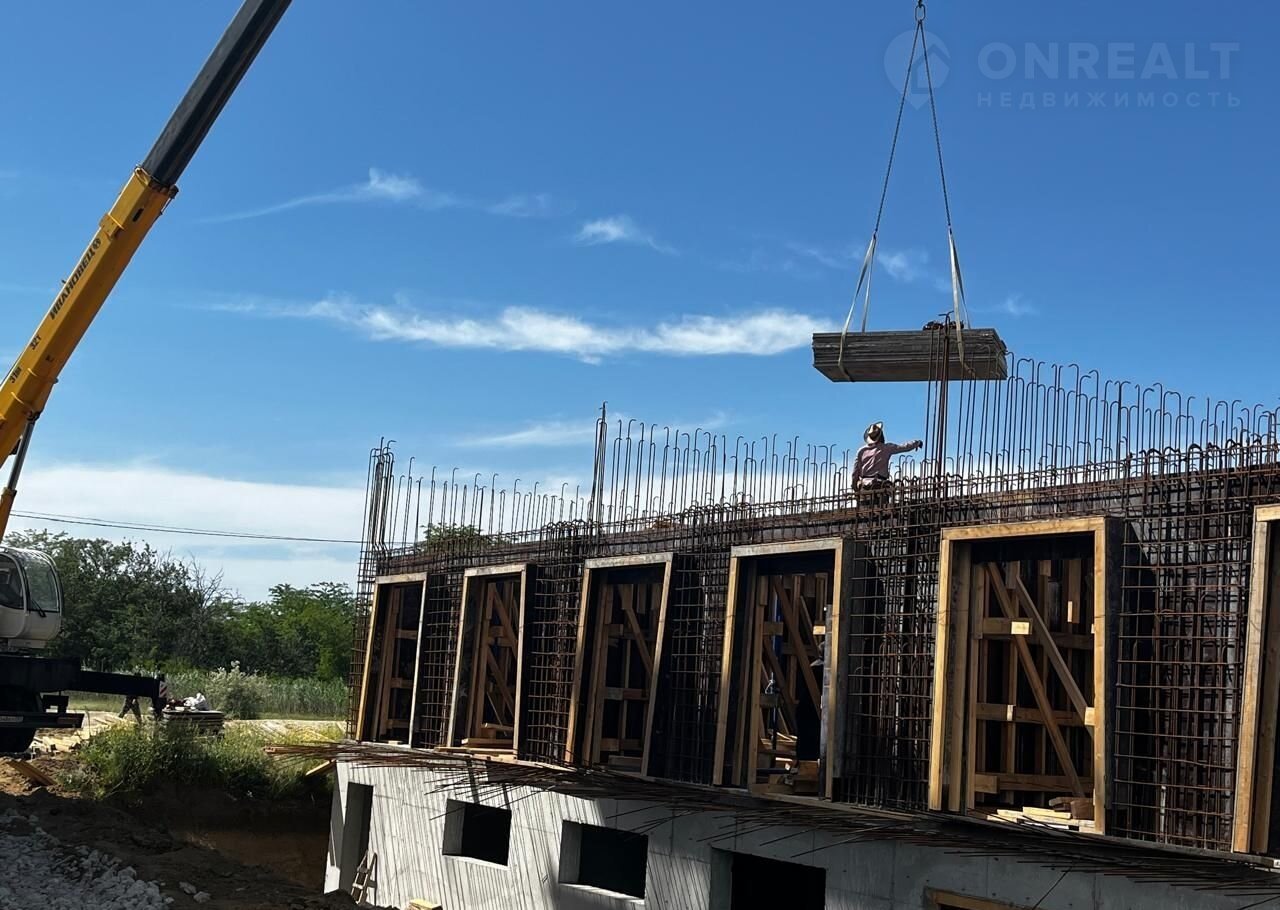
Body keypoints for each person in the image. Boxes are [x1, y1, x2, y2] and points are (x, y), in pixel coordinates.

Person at [851, 422, 922, 490]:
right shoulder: (886, 448)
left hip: (864, 487)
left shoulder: (861, 451)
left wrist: (855, 486)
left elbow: (855, 472)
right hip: (880, 485)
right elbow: (904, 447)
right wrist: (916, 443)